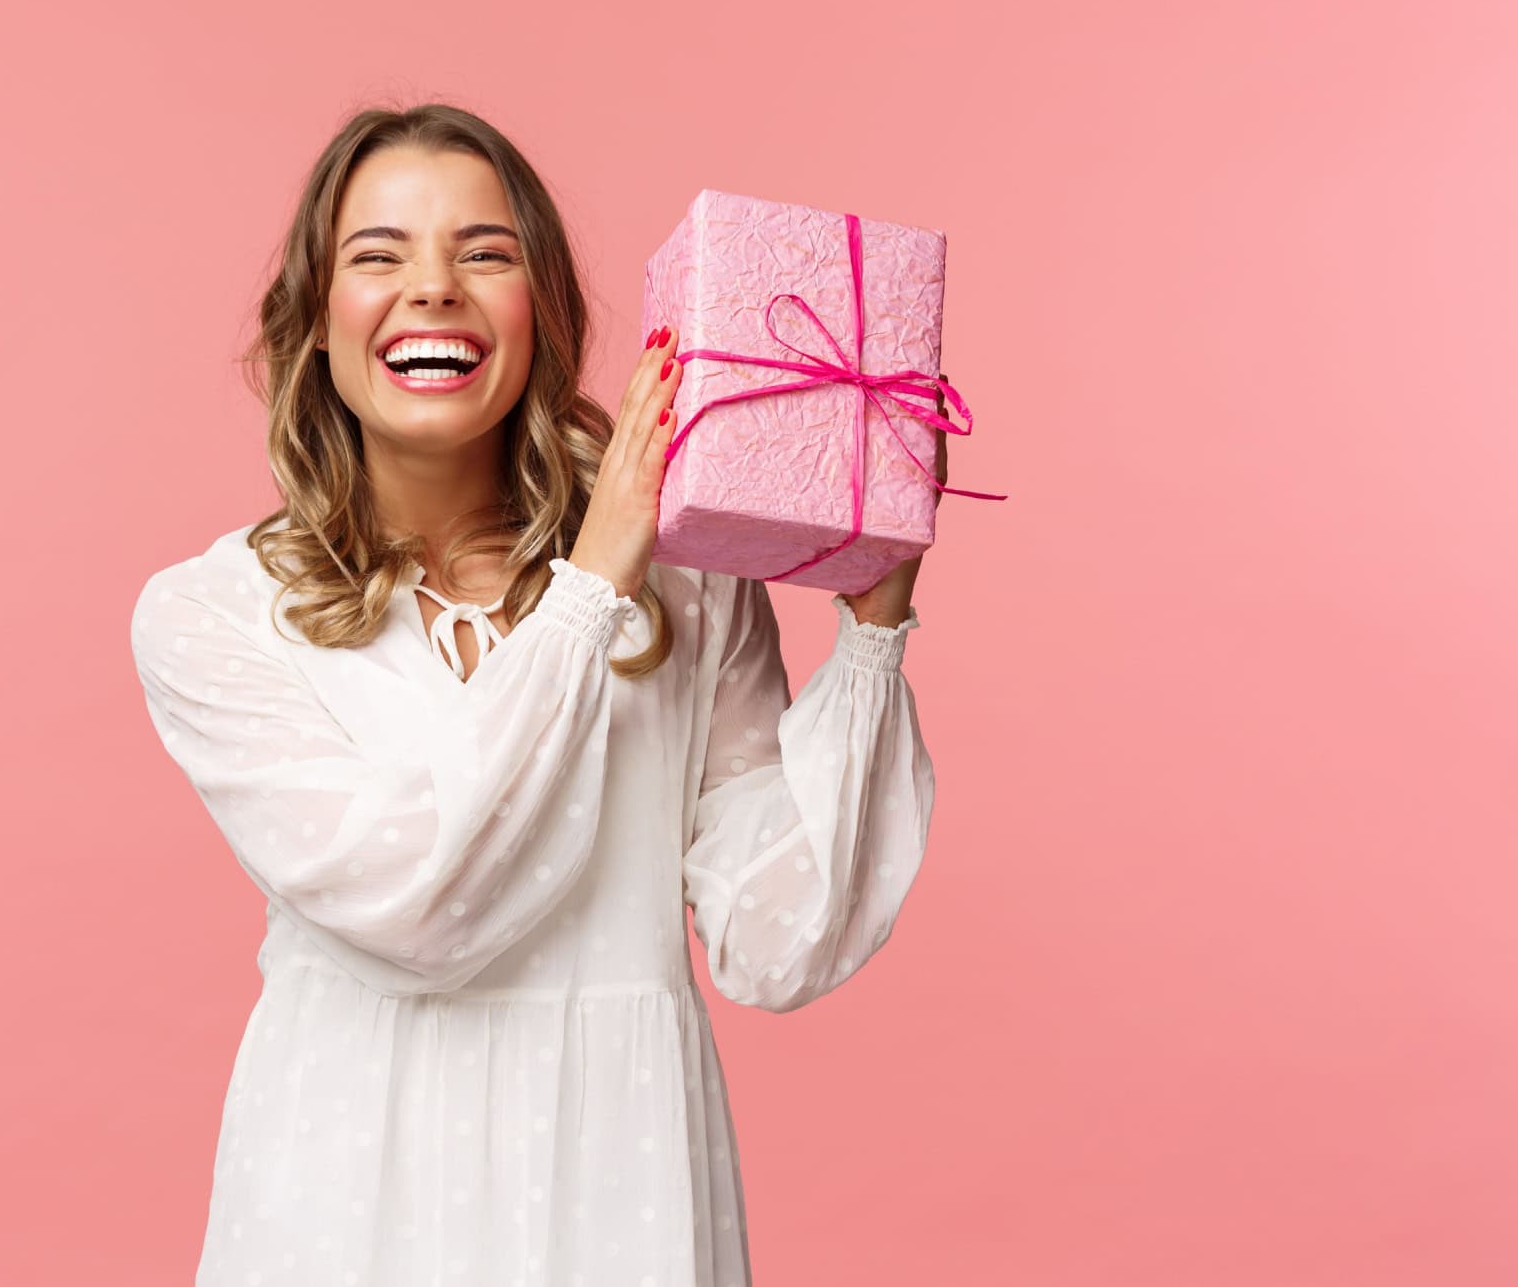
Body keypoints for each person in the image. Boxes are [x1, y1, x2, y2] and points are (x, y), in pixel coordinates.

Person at [129, 102, 942, 1287]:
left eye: (484, 252)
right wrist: (589, 586)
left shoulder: (690, 588)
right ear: (314, 322)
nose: (432, 288)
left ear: (542, 310)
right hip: (345, 1200)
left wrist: (870, 627)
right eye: (378, 256)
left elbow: (778, 946)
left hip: (619, 1192)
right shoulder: (213, 613)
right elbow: (419, 913)